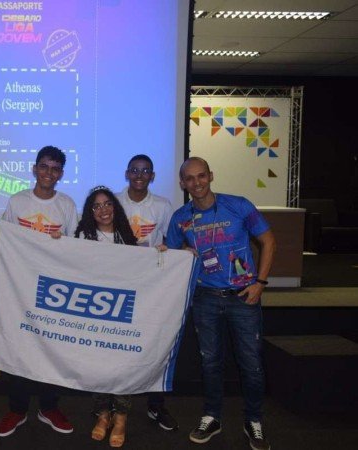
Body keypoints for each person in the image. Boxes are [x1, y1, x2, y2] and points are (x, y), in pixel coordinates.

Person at [165, 157, 276, 450]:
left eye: (201, 176)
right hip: (205, 298)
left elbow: (268, 240)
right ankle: (212, 416)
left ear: (211, 176)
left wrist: (260, 283)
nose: (197, 183)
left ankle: (253, 420)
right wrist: (180, 250)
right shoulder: (180, 217)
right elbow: (171, 256)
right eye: (190, 178)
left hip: (244, 296)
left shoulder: (238, 205)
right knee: (210, 362)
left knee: (251, 364)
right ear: (182, 183)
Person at [0, 145, 78, 437]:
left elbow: (75, 247)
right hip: (20, 287)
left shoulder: (67, 205)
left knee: (52, 348)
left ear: (61, 174)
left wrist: (62, 244)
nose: (48, 173)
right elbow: (4, 240)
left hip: (53, 290)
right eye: (44, 166)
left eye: (55, 169)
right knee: (18, 349)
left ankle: (48, 407)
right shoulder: (17, 201)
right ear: (34, 169)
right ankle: (17, 409)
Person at [116, 154, 179, 431]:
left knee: (155, 345)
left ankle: (156, 405)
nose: (139, 175)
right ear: (126, 173)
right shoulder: (113, 202)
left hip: (152, 287)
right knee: (117, 348)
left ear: (152, 176)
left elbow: (171, 242)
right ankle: (113, 407)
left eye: (145, 171)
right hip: (119, 284)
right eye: (134, 170)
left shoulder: (163, 206)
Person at [74, 186, 136, 447]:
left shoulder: (126, 236)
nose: (103, 210)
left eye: (107, 204)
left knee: (122, 367)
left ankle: (120, 418)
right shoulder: (82, 236)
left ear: (115, 207)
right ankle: (102, 414)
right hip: (94, 314)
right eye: (97, 206)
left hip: (122, 313)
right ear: (90, 212)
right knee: (97, 367)